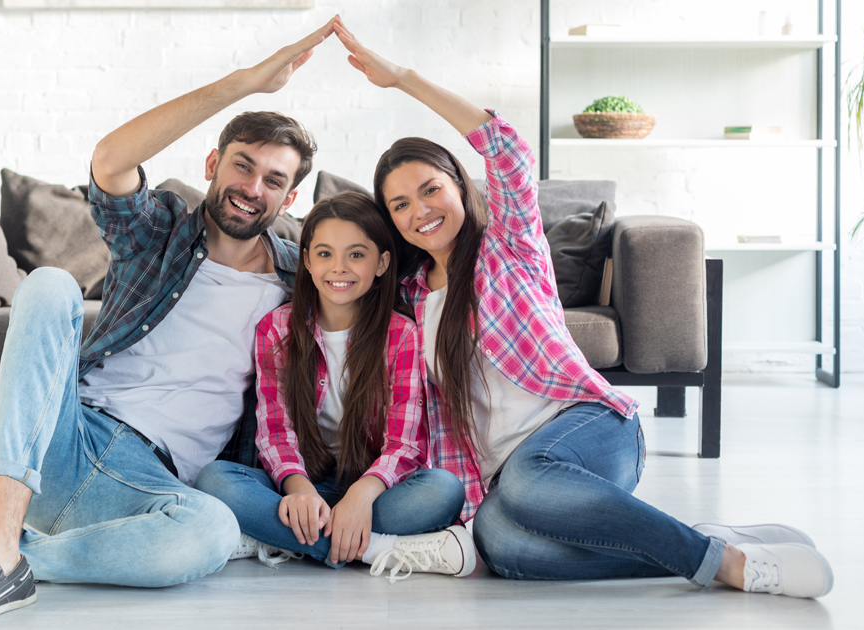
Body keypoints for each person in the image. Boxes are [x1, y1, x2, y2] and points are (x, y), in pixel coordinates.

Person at [0, 18, 338, 628]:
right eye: (242, 165)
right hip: (64, 439)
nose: (252, 187)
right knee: (50, 284)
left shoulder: (303, 280)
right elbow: (110, 160)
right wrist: (242, 83)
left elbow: (384, 285)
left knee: (212, 533)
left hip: (149, 482)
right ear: (213, 163)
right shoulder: (158, 230)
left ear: (289, 200)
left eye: (273, 180)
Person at [333, 18, 835, 598]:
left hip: (590, 430)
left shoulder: (508, 245)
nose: (419, 210)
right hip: (507, 478)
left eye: (430, 189)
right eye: (399, 204)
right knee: (500, 543)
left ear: (458, 186)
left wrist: (402, 78)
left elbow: (506, 148)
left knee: (527, 483)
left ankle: (730, 566)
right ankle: (699, 541)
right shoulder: (411, 299)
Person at [196, 192, 471, 582]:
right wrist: (299, 489)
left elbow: (405, 444)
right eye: (325, 254)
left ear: (382, 263)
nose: (339, 267)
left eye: (356, 254)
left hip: (374, 491)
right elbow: (275, 430)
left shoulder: (402, 334)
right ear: (307, 260)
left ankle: (276, 538)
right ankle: (378, 550)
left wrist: (361, 494)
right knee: (215, 480)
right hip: (304, 485)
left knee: (443, 490)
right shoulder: (277, 329)